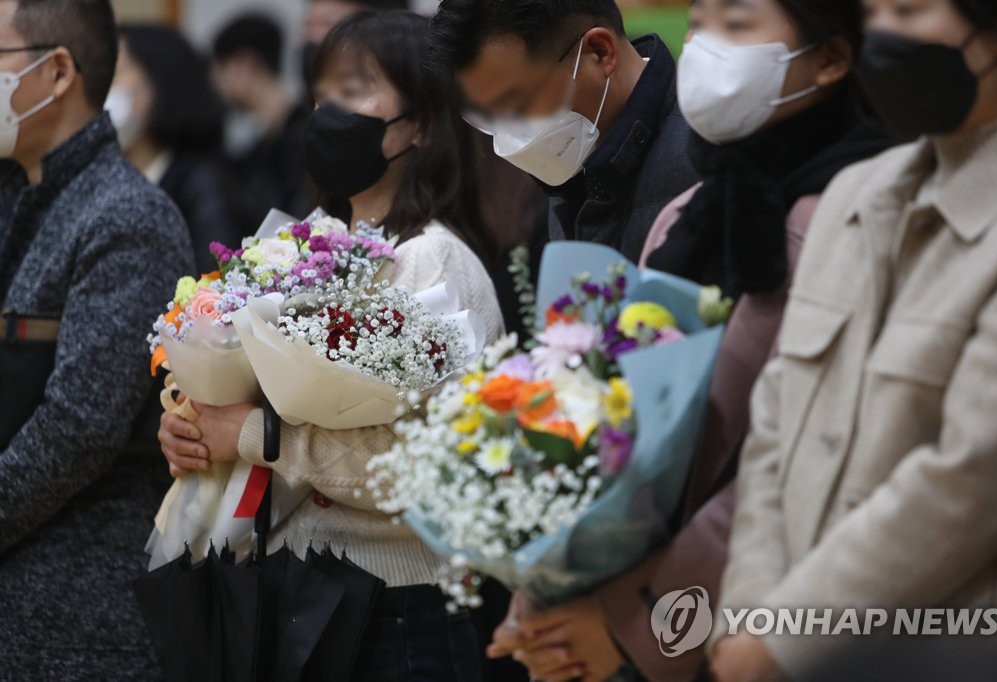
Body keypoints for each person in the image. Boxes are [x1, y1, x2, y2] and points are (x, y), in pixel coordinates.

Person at [485, 1, 893, 680]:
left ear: (831, 57)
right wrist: (547, 590)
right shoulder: (690, 212)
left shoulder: (864, 220)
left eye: (737, 26)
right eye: (700, 25)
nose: (706, 49)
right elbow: (614, 408)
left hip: (762, 628)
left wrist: (632, 625)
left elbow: (789, 465)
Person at [158, 11, 503, 681]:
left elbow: (434, 471)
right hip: (290, 591)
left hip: (398, 611)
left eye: (353, 91)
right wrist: (193, 428)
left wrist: (256, 435)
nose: (326, 114)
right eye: (320, 96)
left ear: (424, 122)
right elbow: (243, 401)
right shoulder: (298, 249)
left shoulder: (436, 263)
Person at [707, 0, 997, 680]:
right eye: (872, 12)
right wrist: (751, 621)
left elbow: (974, 474)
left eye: (907, 11)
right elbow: (774, 425)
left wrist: (784, 643)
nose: (881, 37)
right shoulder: (853, 193)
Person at [0, 0, 192, 676]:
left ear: (56, 73)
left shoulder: (127, 216)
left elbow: (79, 427)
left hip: (68, 613)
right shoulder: (15, 191)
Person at [428, 0, 700, 263]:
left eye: (518, 103)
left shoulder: (705, 156)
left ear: (600, 52)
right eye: (488, 117)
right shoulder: (575, 163)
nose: (512, 134)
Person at [111, 24, 241, 272]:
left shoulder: (203, 184)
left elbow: (216, 280)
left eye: (115, 73)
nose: (101, 89)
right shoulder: (106, 179)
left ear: (158, 84)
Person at [213, 13, 310, 231]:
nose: (216, 80)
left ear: (245, 65)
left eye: (221, 67)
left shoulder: (302, 136)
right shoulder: (261, 141)